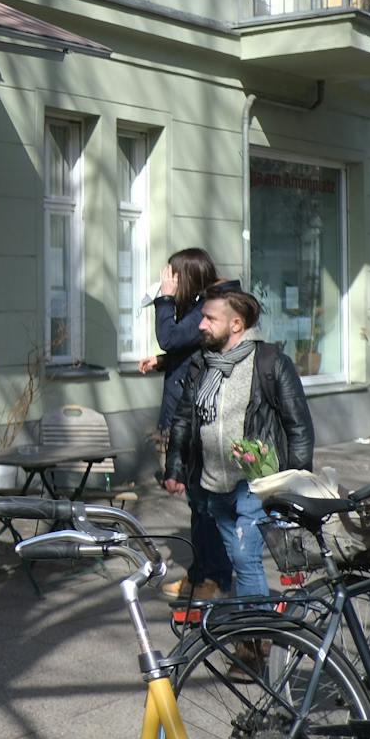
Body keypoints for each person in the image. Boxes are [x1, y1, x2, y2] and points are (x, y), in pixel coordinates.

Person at [161, 289, 313, 622]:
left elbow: (298, 426)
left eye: (209, 318)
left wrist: (297, 483)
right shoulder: (203, 364)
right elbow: (184, 418)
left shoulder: (271, 363)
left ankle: (255, 640)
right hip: (213, 483)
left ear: (236, 324)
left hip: (254, 483)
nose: (201, 324)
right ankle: (247, 623)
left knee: (245, 558)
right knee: (237, 559)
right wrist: (174, 467)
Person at [137, 248, 239, 601]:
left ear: (190, 278)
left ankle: (216, 579)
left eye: (173, 277)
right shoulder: (203, 306)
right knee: (199, 505)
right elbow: (186, 350)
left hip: (199, 419)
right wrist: (164, 362)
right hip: (189, 412)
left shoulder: (207, 309)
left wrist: (165, 300)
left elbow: (171, 337)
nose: (169, 283)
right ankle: (202, 575)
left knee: (207, 507)